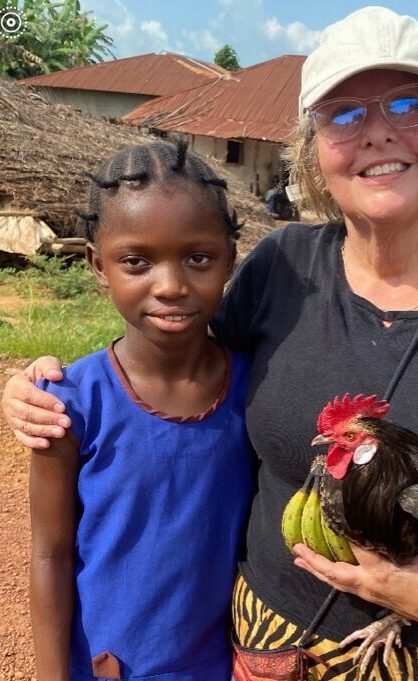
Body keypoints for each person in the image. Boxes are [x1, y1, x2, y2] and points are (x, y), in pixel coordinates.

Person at [3, 7, 418, 680]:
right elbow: (177, 352)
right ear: (315, 149)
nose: (378, 130)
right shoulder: (281, 268)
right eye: (344, 113)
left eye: (410, 104)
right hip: (267, 651)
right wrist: (42, 383)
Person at [24, 139, 253, 681]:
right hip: (109, 669)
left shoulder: (255, 386)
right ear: (97, 265)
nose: (171, 285)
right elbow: (50, 556)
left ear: (229, 259)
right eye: (137, 262)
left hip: (228, 666)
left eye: (198, 258)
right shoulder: (69, 404)